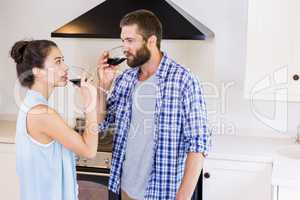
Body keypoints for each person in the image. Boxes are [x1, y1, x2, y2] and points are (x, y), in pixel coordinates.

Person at [97, 9, 211, 200]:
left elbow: (198, 144)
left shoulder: (183, 80)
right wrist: (103, 86)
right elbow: (102, 124)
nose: (124, 47)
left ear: (151, 41)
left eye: (130, 40)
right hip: (126, 189)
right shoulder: (125, 79)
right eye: (123, 40)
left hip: (164, 193)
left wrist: (182, 198)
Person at [10, 40, 99, 200]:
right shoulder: (43, 113)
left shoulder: (31, 106)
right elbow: (90, 150)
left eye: (63, 60)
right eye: (58, 62)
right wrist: (91, 103)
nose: (65, 67)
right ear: (37, 71)